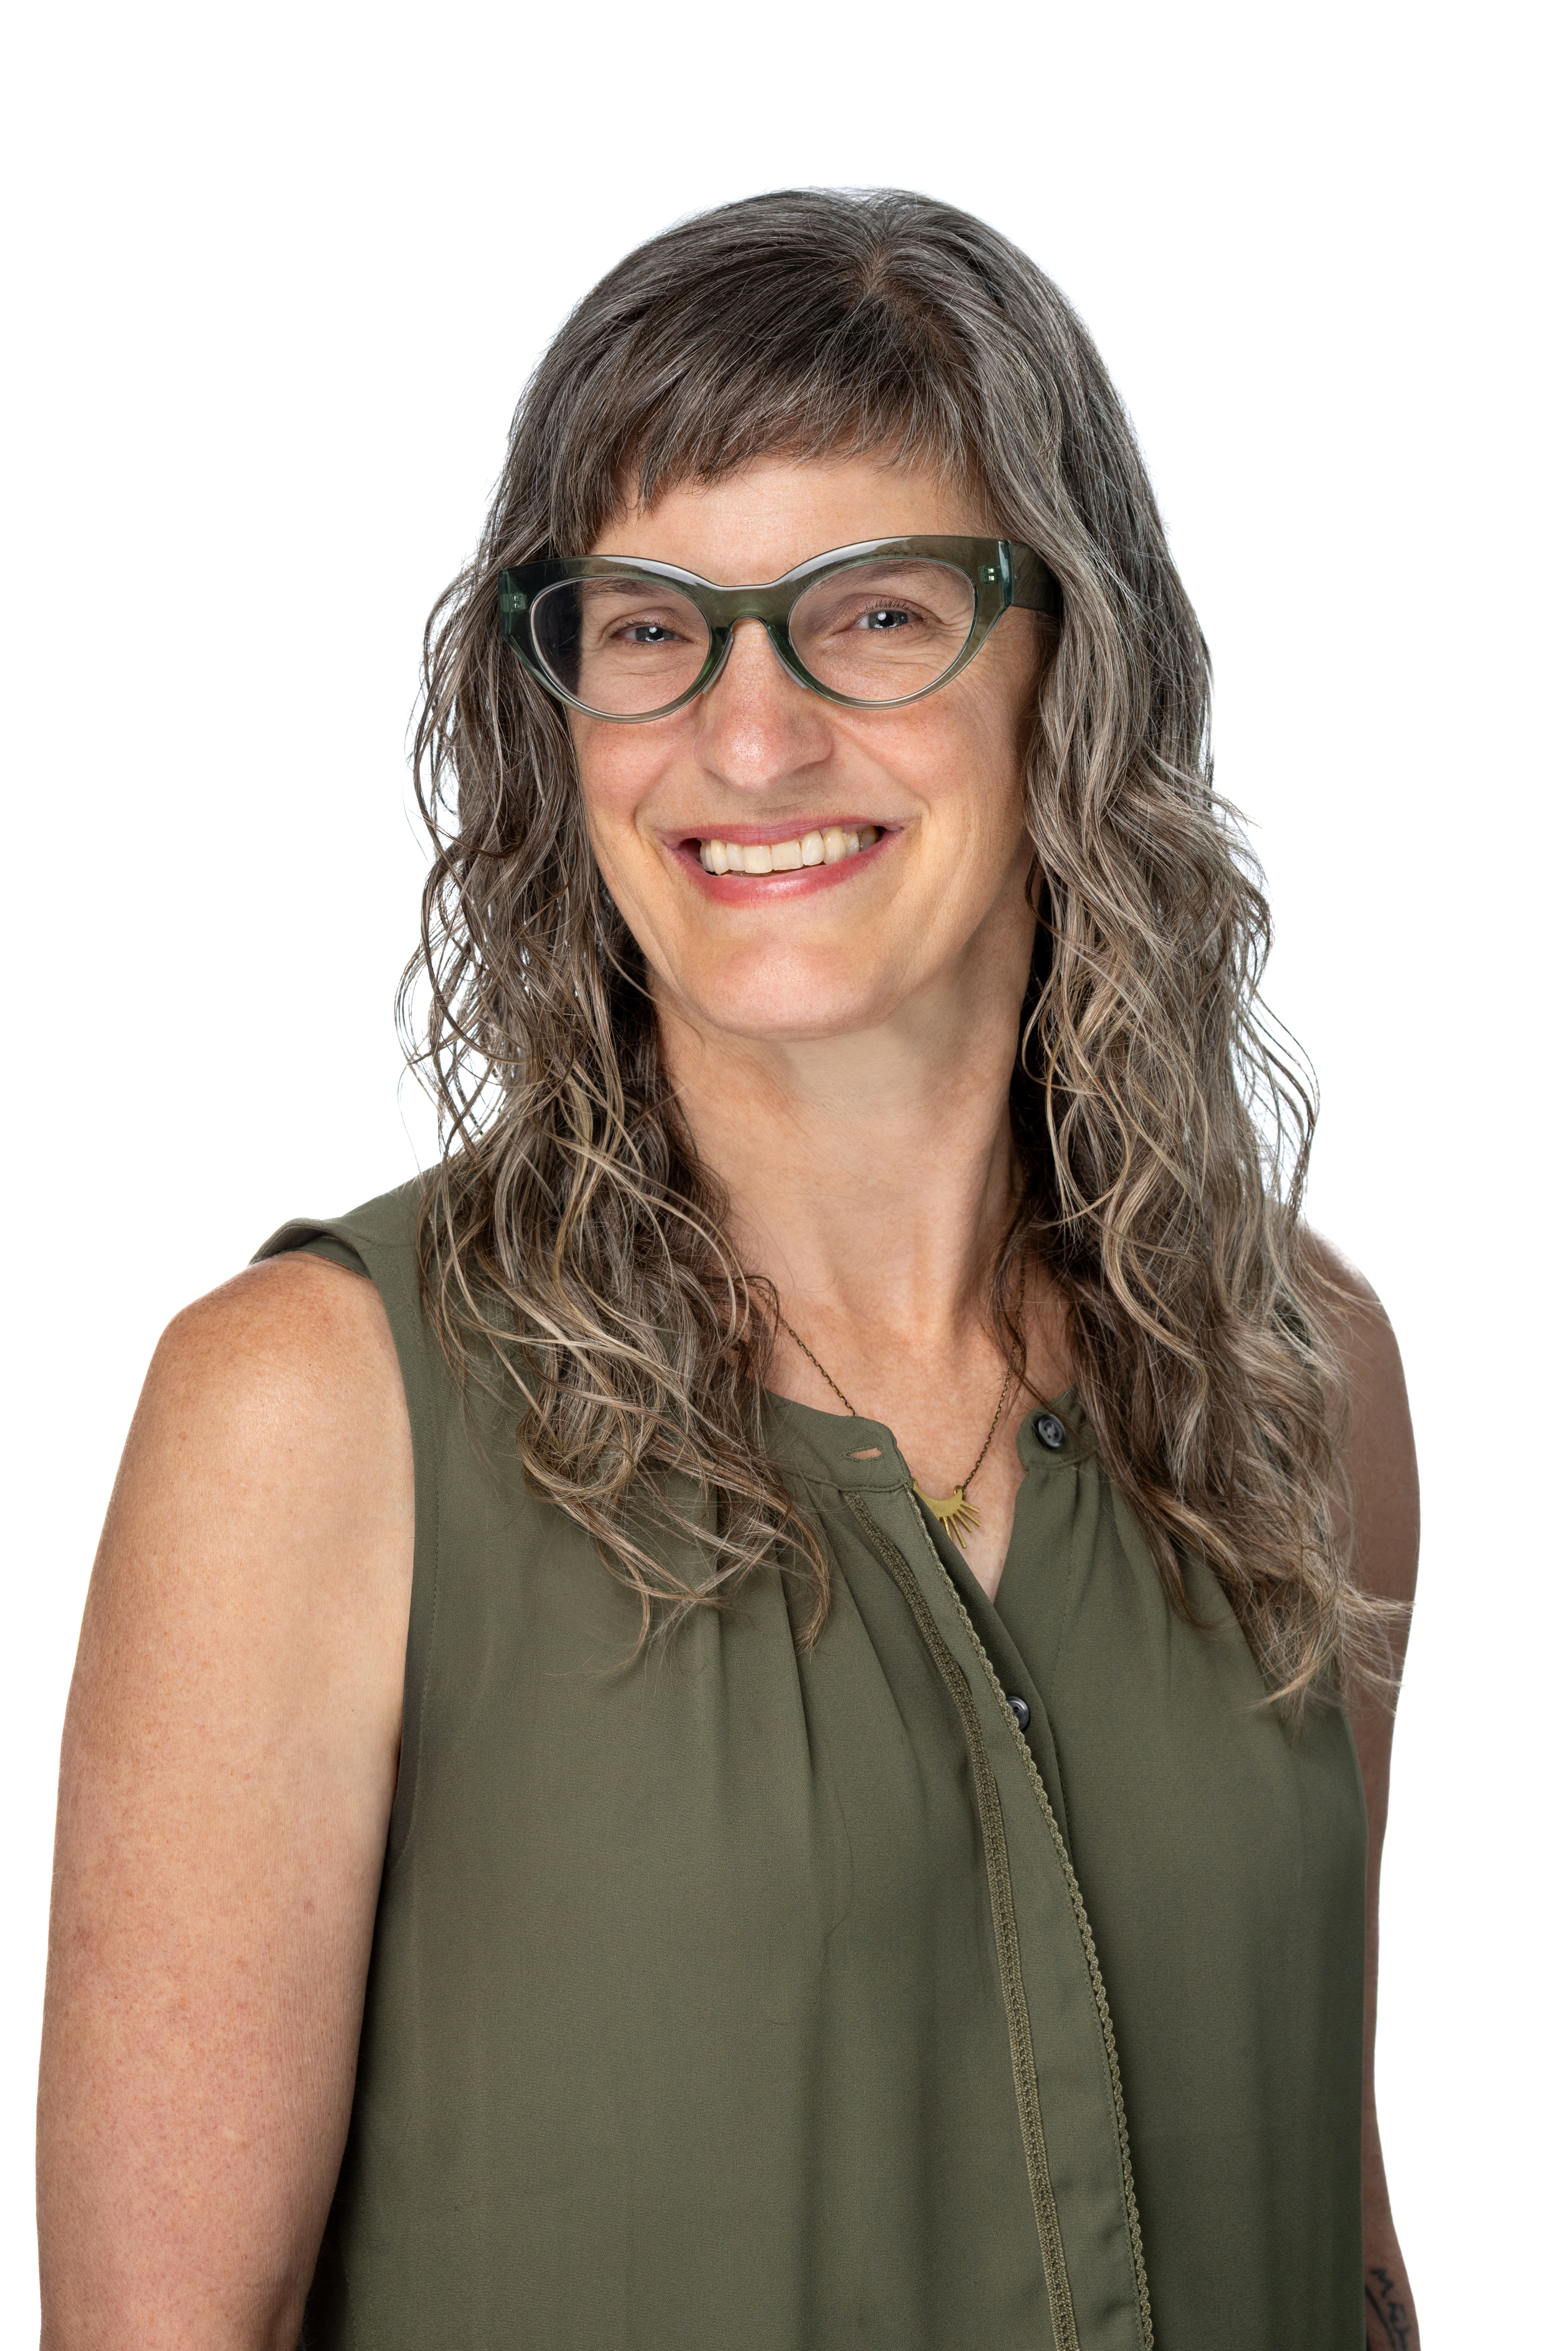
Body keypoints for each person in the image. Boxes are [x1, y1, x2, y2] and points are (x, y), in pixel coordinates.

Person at [36, 189, 1420, 2351]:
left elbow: (1329, 2233)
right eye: (651, 626)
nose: (749, 740)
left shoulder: (1293, 1374)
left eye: (872, 617)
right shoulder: (314, 1415)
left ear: (1078, 662)